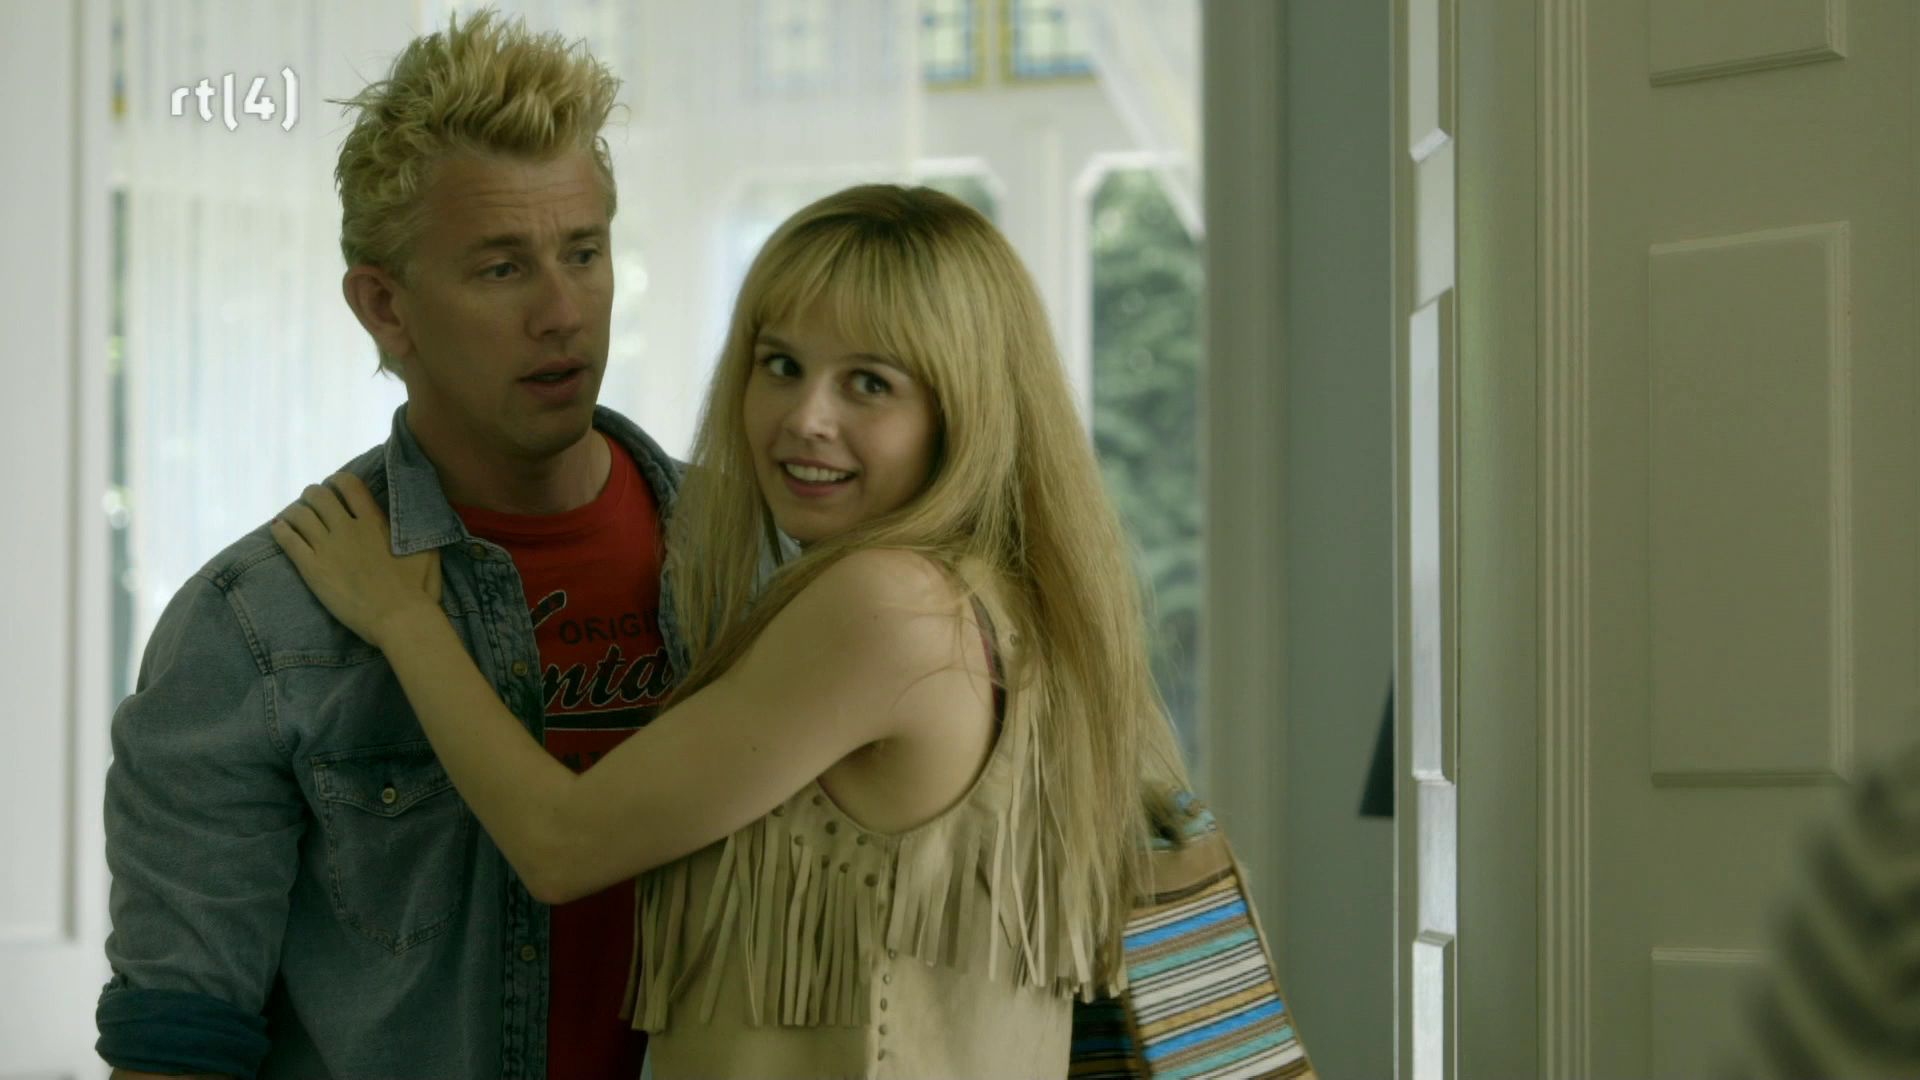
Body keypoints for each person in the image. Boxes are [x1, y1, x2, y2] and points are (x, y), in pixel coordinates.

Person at [271, 183, 1196, 1077]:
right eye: (781, 365)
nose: (806, 419)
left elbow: (560, 844)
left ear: (962, 409)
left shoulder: (888, 608)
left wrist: (403, 616)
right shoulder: (1003, 601)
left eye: (869, 383)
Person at [96, 11, 679, 1079]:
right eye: (501, 269)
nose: (563, 312)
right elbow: (177, 1041)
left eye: (584, 253)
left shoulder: (755, 563)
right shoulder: (256, 627)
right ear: (385, 306)